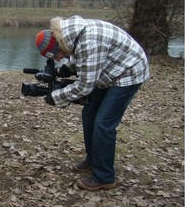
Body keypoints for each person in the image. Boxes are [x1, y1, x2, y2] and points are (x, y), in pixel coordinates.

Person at [35, 16, 150, 191]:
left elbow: (84, 86)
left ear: (59, 45)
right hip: (109, 69)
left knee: (104, 123)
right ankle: (93, 159)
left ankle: (104, 177)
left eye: (56, 56)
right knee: (89, 113)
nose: (58, 60)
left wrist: (56, 97)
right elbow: (77, 52)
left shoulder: (89, 42)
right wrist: (69, 67)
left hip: (129, 72)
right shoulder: (69, 34)